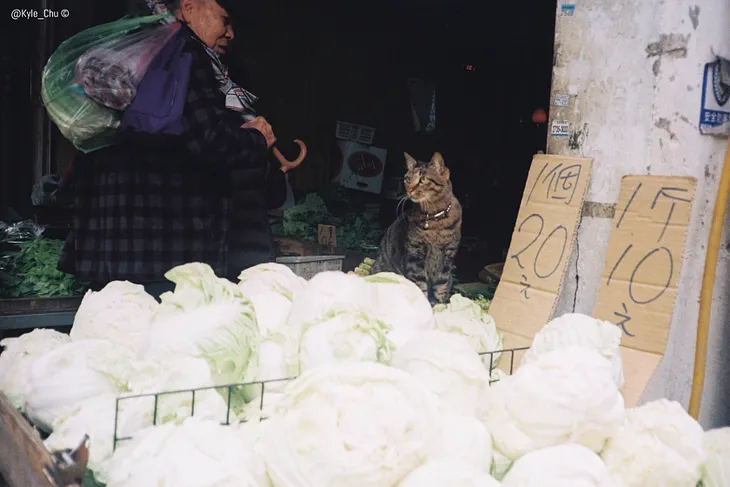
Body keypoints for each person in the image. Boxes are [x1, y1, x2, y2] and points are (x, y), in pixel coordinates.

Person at [58, 0, 290, 297]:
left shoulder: (125, 55)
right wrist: (258, 139)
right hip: (164, 250)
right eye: (225, 20)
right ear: (190, 8)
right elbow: (208, 139)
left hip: (109, 245)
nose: (231, 34)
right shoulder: (184, 55)